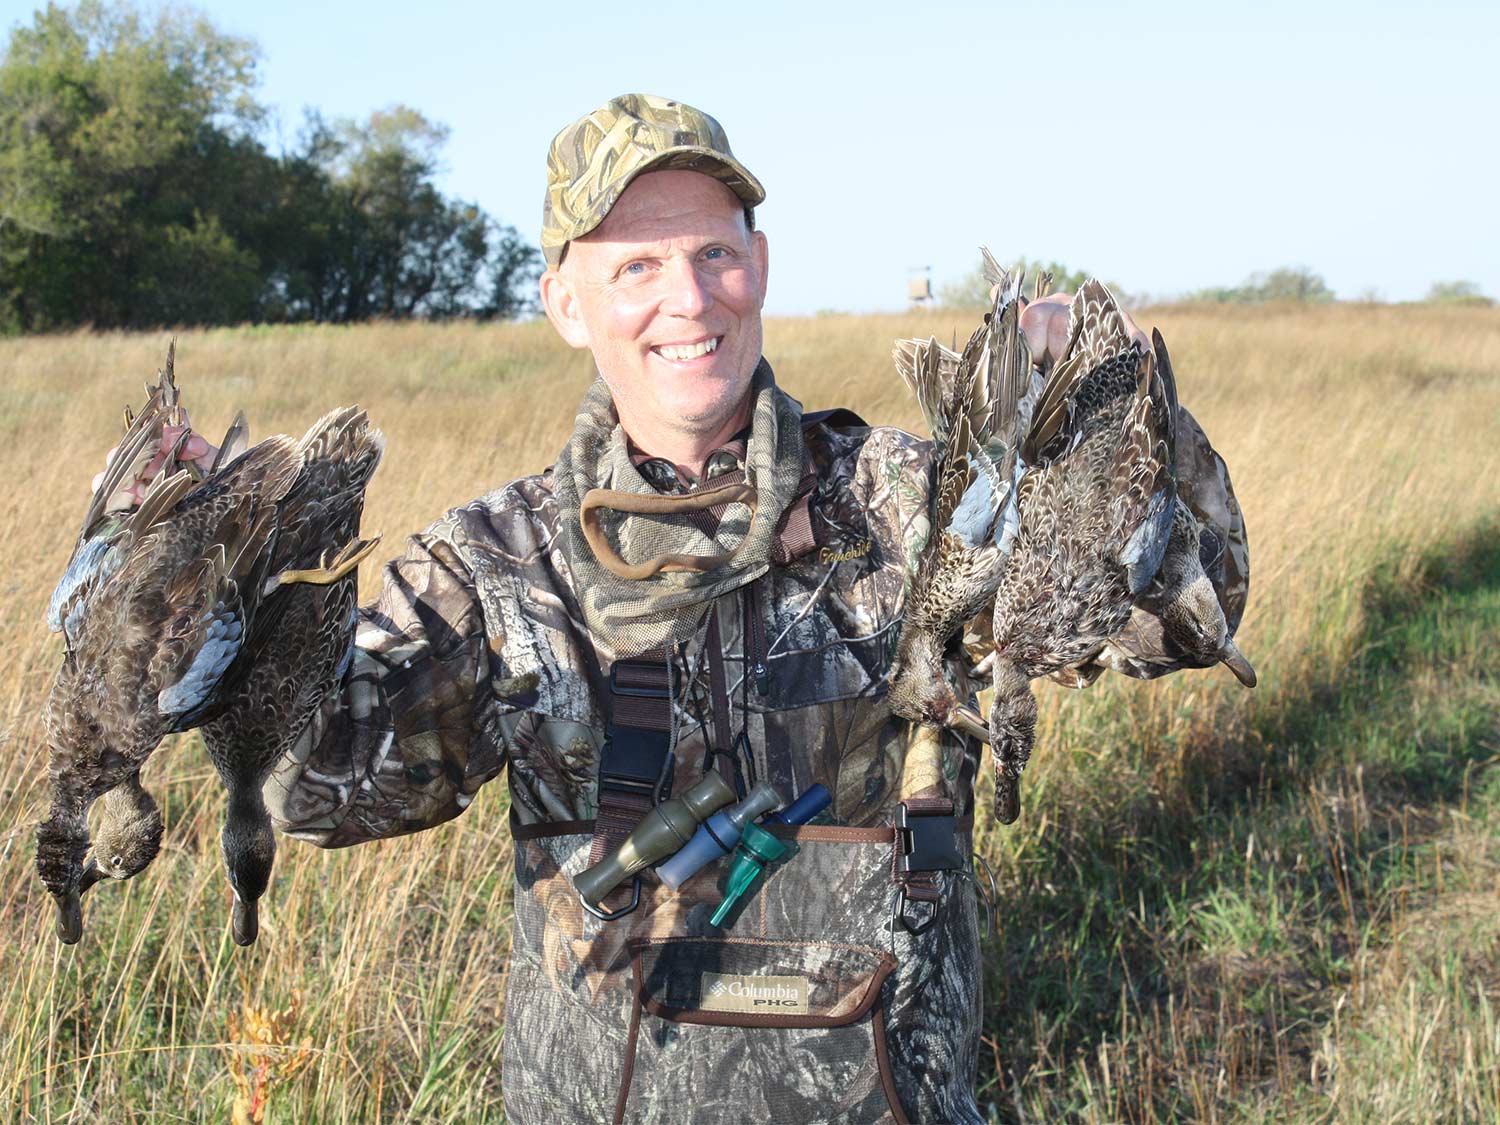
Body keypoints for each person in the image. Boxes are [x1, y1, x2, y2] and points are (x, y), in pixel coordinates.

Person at [100, 93, 1112, 1123]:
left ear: (759, 267)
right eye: (634, 266)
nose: (688, 300)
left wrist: (1091, 431)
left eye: (713, 255)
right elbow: (314, 792)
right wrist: (212, 583)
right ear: (565, 304)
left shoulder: (913, 503)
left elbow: (1150, 625)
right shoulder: (496, 560)